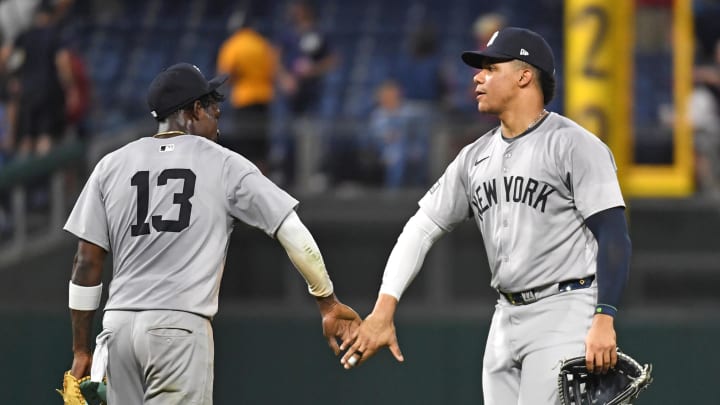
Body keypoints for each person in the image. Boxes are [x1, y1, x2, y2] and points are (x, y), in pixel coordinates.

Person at [341, 27, 632, 405]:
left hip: (565, 309)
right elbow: (421, 228)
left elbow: (613, 235)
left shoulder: (573, 145)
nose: (478, 77)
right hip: (504, 316)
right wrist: (383, 309)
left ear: (525, 76)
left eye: (491, 68)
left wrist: (604, 317)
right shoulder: (473, 157)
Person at [60, 62, 360, 404]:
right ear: (193, 111)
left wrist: (81, 350)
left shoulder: (110, 165)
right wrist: (327, 302)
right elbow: (291, 230)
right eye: (211, 106)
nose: (217, 116)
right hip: (178, 327)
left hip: (117, 331)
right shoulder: (223, 162)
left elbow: (85, 262)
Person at [216, 7, 277, 172]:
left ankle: (247, 184)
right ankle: (263, 182)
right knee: (261, 147)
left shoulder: (233, 45)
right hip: (264, 99)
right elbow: (273, 71)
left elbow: (226, 75)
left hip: (244, 100)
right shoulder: (262, 44)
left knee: (245, 146)